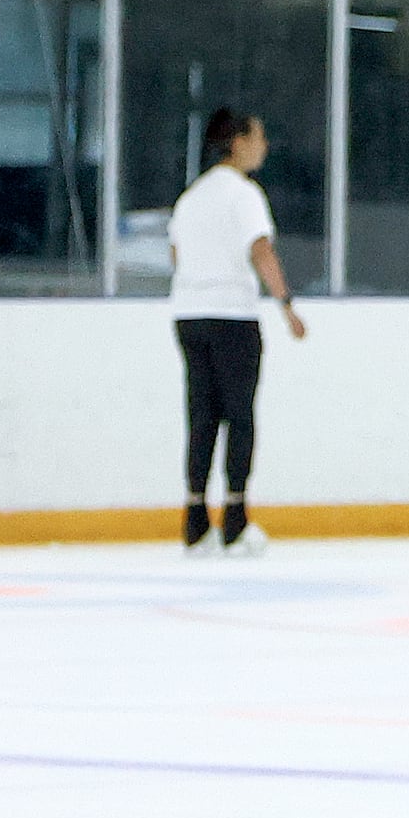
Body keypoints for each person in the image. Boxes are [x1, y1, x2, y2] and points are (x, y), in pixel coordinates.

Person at [169, 107, 306, 555]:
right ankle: (235, 517)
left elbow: (176, 253)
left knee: (202, 413)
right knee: (239, 414)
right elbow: (261, 250)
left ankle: (194, 518)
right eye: (259, 136)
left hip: (189, 315)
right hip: (232, 315)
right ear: (238, 141)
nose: (264, 146)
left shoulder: (192, 197)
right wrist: (286, 304)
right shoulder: (244, 195)